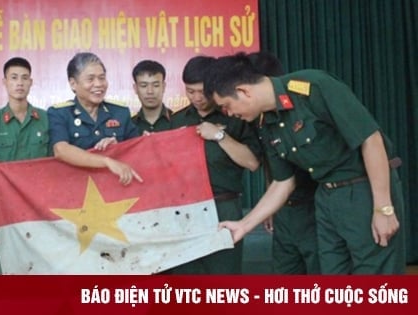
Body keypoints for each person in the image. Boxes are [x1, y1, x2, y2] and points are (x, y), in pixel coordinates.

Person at [205, 52, 405, 274]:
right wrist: (244, 225)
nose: (230, 114)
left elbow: (370, 139)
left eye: (227, 106)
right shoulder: (267, 122)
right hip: (326, 199)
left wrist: (384, 208)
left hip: (364, 191)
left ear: (243, 91)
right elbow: (283, 182)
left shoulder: (313, 86)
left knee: (376, 277)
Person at [165, 55, 261, 274]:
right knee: (185, 282)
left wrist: (219, 135)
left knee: (223, 278)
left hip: (224, 207)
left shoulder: (236, 116)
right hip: (184, 210)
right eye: (190, 91)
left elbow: (253, 162)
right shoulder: (176, 121)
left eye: (202, 91)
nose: (197, 98)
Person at [249, 51, 320, 274]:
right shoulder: (260, 120)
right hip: (284, 211)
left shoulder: (303, 106)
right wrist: (271, 205)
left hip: (313, 207)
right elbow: (276, 168)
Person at [48, 52, 142, 185]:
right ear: (73, 83)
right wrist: (106, 161)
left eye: (102, 78)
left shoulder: (120, 112)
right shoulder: (59, 113)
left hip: (116, 189)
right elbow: (61, 150)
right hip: (74, 191)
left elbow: (137, 151)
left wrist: (119, 148)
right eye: (90, 79)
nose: (98, 84)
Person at [0, 57, 50, 162]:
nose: (20, 83)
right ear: (5, 82)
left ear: (30, 82)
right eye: (14, 78)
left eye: (25, 78)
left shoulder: (46, 119)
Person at [130, 60, 173, 133]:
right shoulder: (129, 127)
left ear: (164, 87)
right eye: (144, 86)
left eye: (156, 85)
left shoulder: (178, 122)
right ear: (135, 88)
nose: (150, 91)